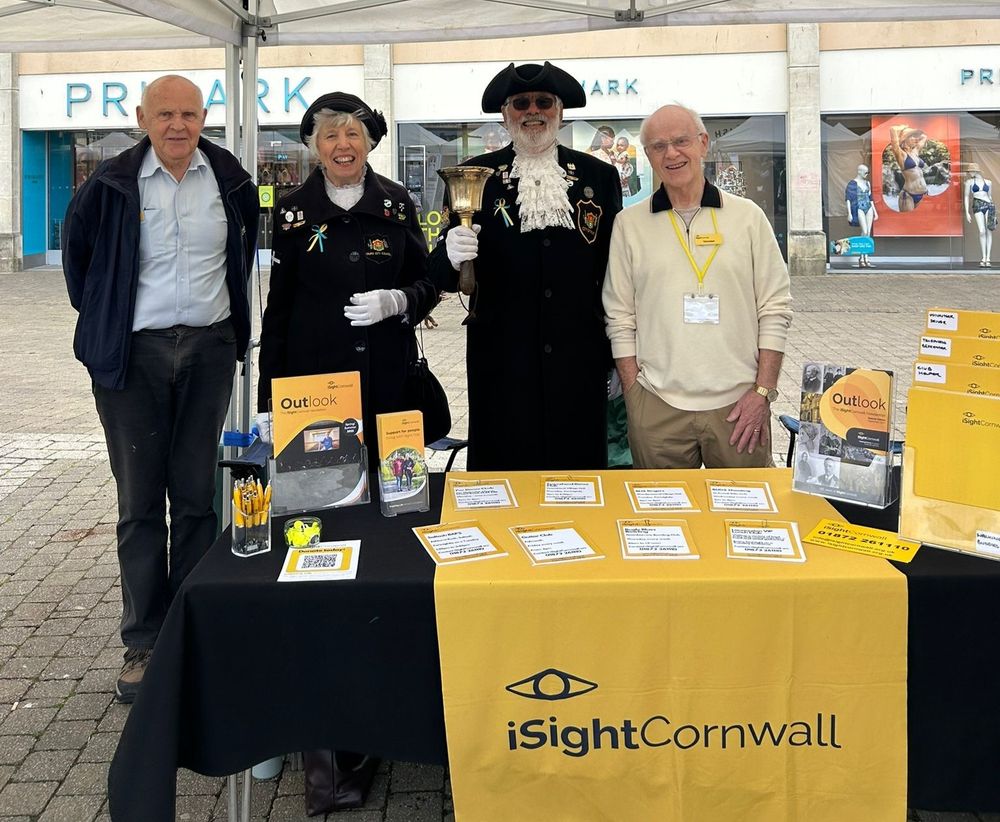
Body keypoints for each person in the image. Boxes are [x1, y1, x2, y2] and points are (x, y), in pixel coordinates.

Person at [62, 75, 258, 703]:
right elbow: (80, 267)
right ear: (143, 117)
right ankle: (144, 642)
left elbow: (242, 255)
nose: (178, 125)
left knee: (197, 498)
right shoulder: (110, 186)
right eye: (165, 114)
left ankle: (191, 630)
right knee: (140, 503)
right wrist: (109, 326)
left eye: (190, 114)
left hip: (208, 351)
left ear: (206, 118)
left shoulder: (230, 182)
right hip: (134, 358)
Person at [428, 61, 623, 470]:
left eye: (543, 102)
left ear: (560, 112)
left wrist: (618, 355)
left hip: (579, 355)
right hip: (501, 358)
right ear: (505, 114)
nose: (532, 111)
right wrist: (448, 252)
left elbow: (614, 271)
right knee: (504, 470)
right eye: (520, 103)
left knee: (578, 471)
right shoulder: (473, 176)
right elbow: (443, 277)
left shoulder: (599, 176)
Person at [602, 103, 792, 470]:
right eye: (658, 146)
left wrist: (763, 393)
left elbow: (775, 308)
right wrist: (634, 393)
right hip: (657, 407)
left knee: (743, 520)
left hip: (739, 407)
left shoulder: (748, 217)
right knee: (664, 523)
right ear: (648, 156)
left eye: (681, 141)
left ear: (703, 144)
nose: (671, 153)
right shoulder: (629, 224)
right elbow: (619, 315)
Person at [255, 92, 437, 447]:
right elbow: (278, 312)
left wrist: (399, 300)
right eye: (331, 136)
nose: (343, 146)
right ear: (315, 147)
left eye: (353, 134)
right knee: (325, 493)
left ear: (368, 144)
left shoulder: (396, 203)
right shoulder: (294, 213)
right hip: (316, 388)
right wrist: (268, 399)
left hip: (390, 382)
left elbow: (427, 282)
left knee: (396, 492)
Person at [889, 125, 930, 212]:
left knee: (923, 222)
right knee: (908, 223)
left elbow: (924, 136)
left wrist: (913, 131)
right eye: (912, 137)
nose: (916, 139)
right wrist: (904, 129)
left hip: (924, 193)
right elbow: (893, 130)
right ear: (905, 139)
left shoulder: (915, 152)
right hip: (909, 195)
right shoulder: (901, 155)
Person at [845, 164, 877, 268]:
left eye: (868, 172)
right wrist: (849, 213)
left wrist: (875, 212)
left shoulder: (867, 183)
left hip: (868, 207)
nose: (867, 174)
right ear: (859, 171)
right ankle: (861, 257)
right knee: (864, 231)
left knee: (868, 233)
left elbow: (870, 198)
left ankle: (865, 257)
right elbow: (848, 199)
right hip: (859, 207)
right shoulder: (852, 184)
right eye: (865, 172)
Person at [964, 163, 995, 267]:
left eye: (971, 171)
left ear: (976, 171)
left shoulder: (988, 182)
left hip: (989, 205)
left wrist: (994, 211)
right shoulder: (969, 182)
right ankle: (983, 256)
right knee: (982, 231)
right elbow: (966, 196)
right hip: (977, 205)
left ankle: (987, 258)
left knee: (989, 230)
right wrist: (967, 212)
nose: (970, 173)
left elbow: (990, 196)